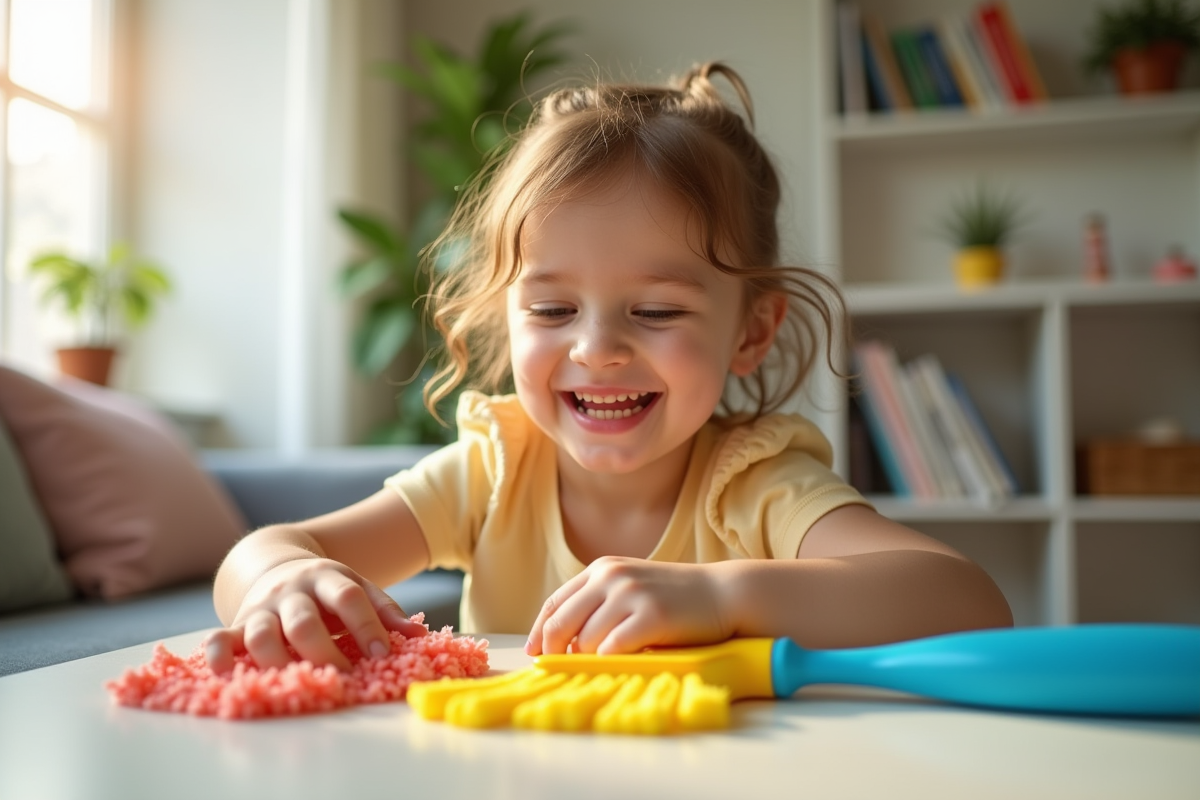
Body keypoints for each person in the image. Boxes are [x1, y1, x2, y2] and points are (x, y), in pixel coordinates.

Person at [206, 62, 1012, 674]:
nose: (596, 349)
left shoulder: (752, 486)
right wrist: (284, 579)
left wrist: (724, 596)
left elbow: (968, 603)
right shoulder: (494, 471)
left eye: (657, 311)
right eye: (552, 311)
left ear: (751, 332)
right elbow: (268, 548)